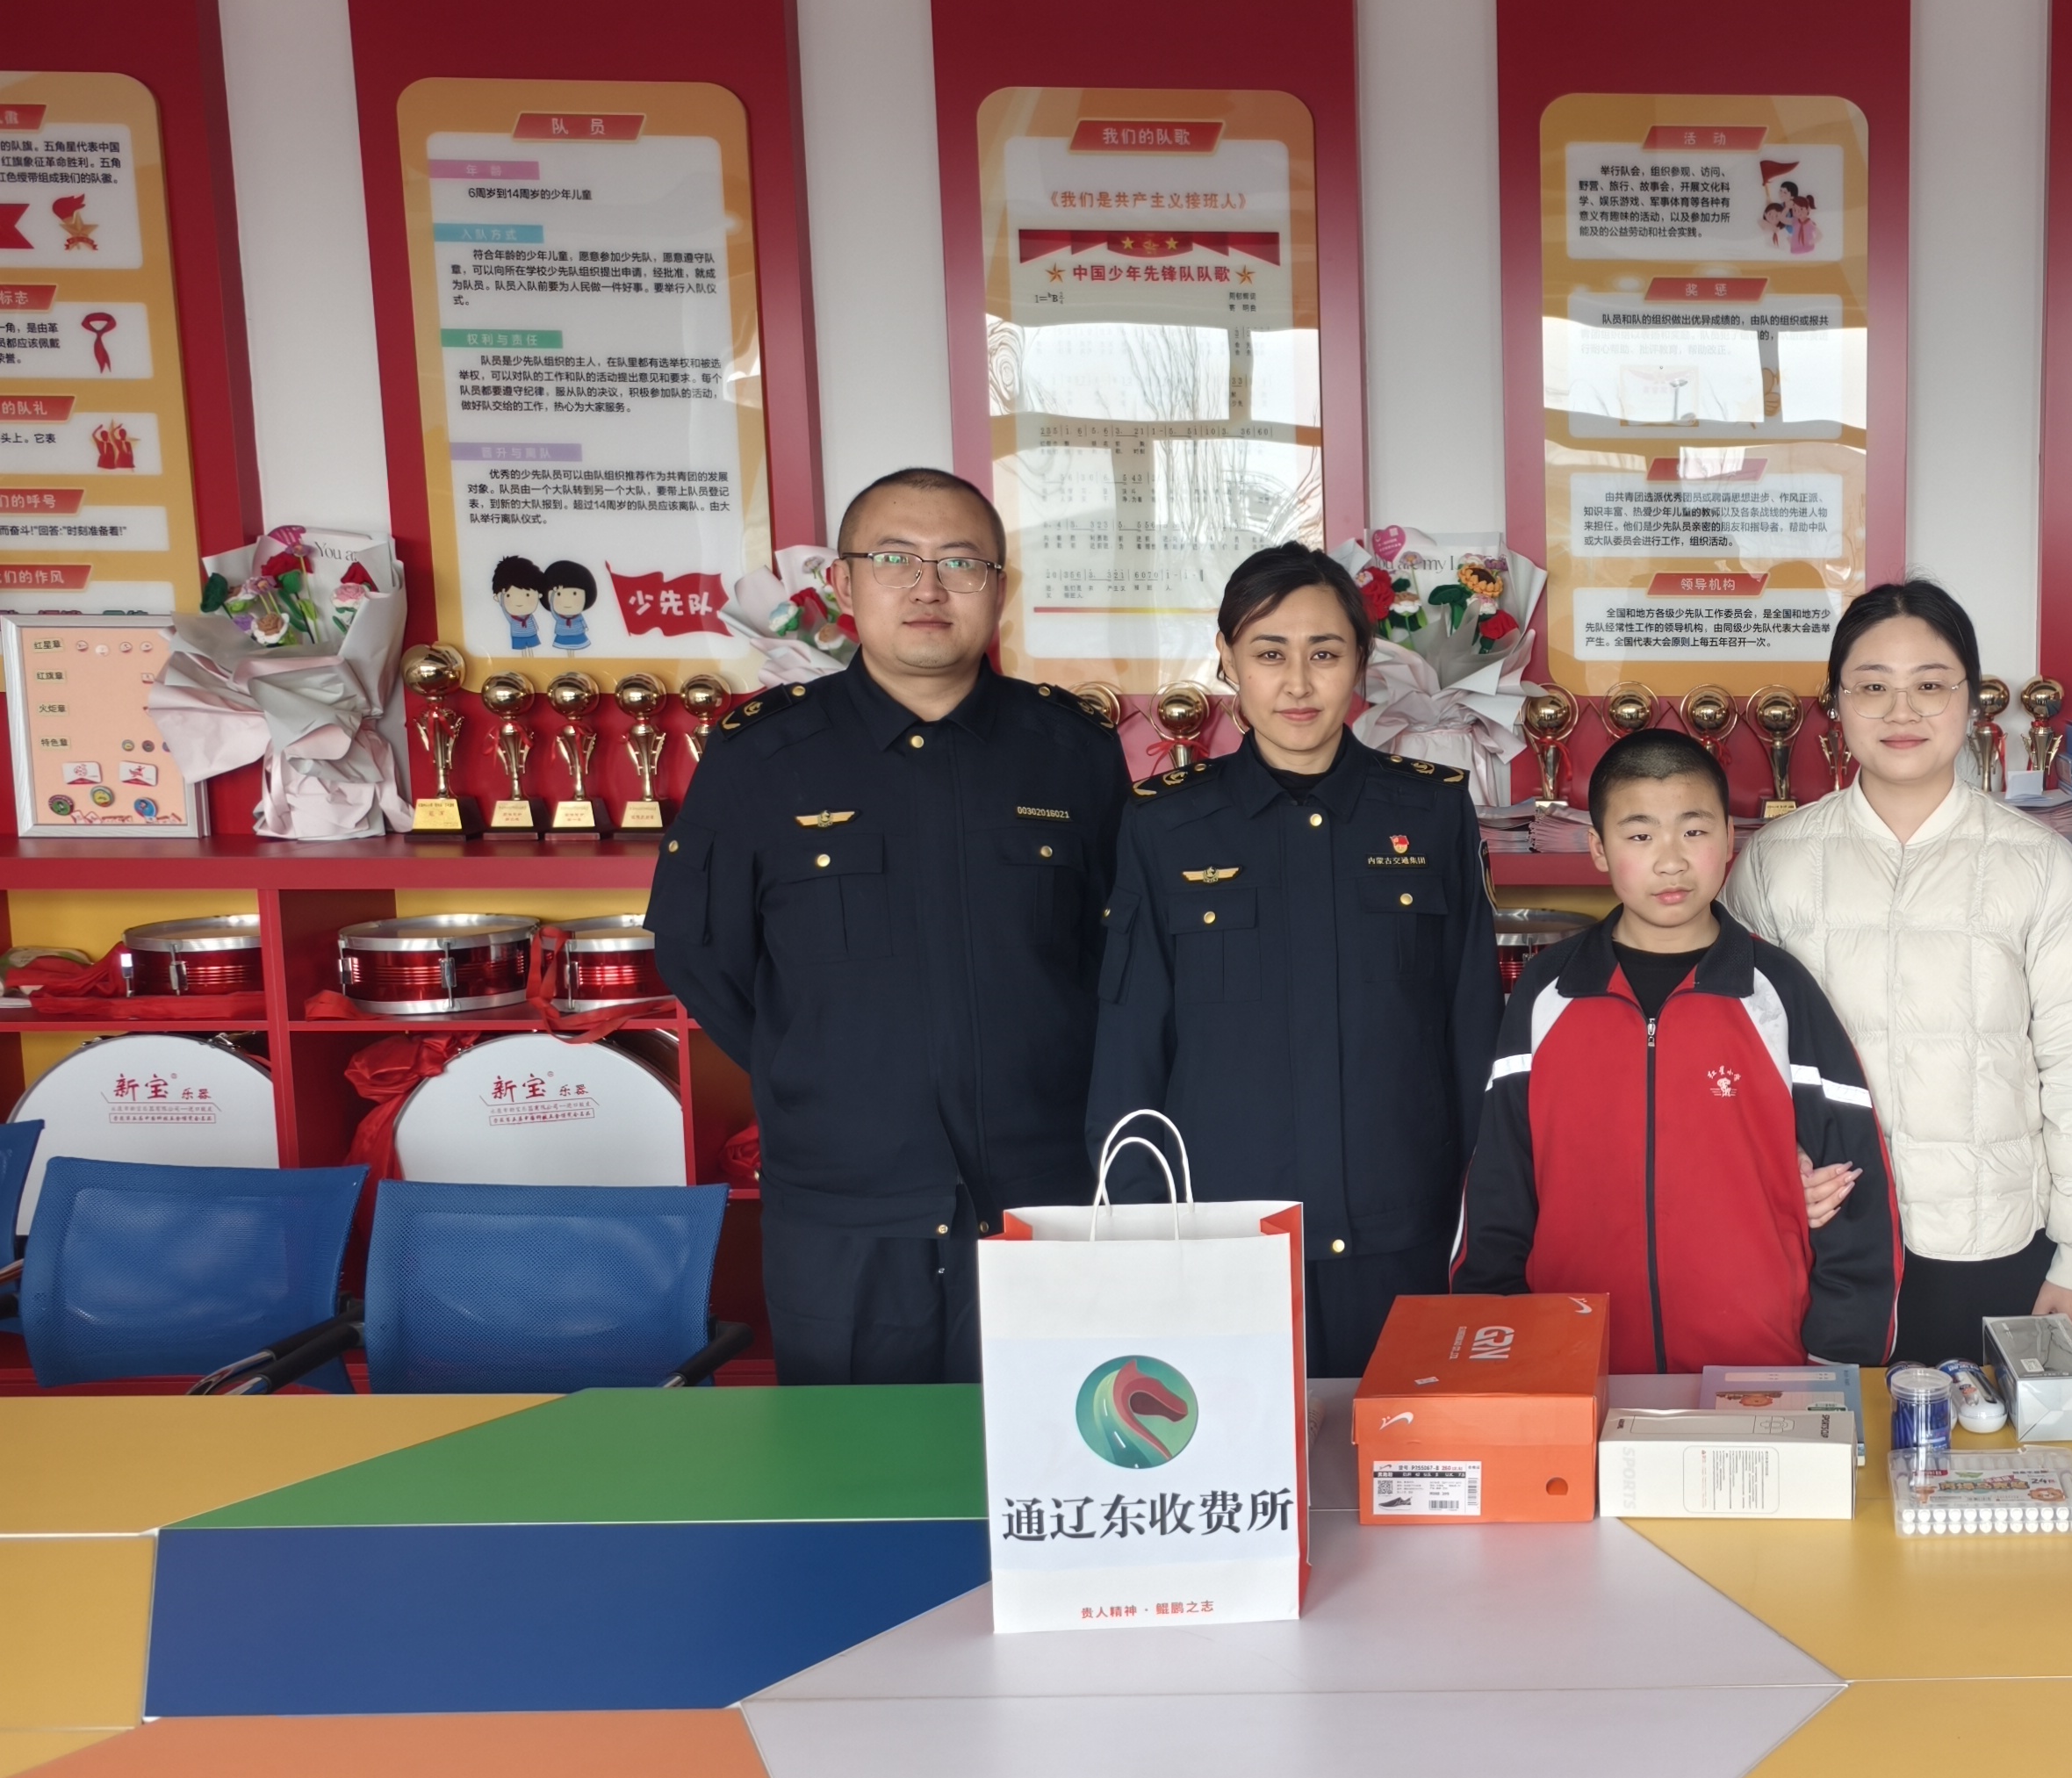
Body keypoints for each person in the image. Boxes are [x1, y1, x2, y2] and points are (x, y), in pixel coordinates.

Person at [646, 466, 1131, 1383]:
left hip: (1044, 1195)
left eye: (961, 563)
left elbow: (1118, 954)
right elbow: (704, 955)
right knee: (849, 1458)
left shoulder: (1071, 752)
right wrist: (830, 1067)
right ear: (842, 584)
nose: (927, 587)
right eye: (895, 559)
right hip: (845, 1206)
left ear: (1000, 587)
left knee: (1050, 1442)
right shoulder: (762, 757)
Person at [1085, 542, 1499, 1377]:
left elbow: (1471, 1030)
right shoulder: (1167, 826)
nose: (1299, 684)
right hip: (1225, 1238)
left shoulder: (1430, 814)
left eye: (1325, 654)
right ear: (1229, 661)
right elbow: (1131, 1046)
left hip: (1400, 1230)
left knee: (1403, 1447)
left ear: (1362, 661)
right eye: (1270, 654)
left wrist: (1484, 1216)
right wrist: (1137, 1234)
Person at [1725, 578, 2072, 1368]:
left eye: (1930, 685)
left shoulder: (2036, 863)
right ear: (1836, 704)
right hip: (1822, 1244)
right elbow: (1734, 1060)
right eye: (1872, 686)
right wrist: (1777, 1171)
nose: (1901, 711)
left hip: (1993, 1242)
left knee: (1986, 1446)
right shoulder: (1774, 864)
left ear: (1972, 700)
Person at [1457, 726, 1898, 1372]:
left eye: (1694, 831)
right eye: (1640, 836)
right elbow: (1499, 1186)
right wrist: (1496, 1341)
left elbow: (1853, 1186)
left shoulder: (1779, 991)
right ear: (1599, 849)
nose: (1671, 861)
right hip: (1574, 1365)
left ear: (1730, 838)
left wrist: (1837, 1361)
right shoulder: (1546, 994)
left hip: (1759, 1370)